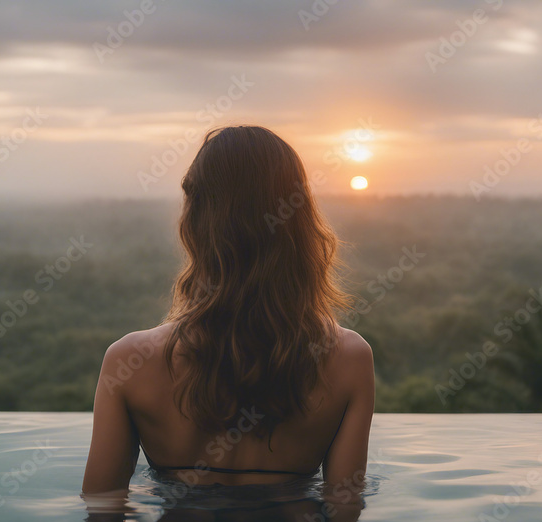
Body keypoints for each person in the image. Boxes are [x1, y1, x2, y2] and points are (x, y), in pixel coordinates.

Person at [81, 125, 375, 495]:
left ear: (195, 223)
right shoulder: (349, 359)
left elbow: (102, 510)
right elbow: (344, 509)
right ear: (299, 223)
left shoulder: (128, 362)